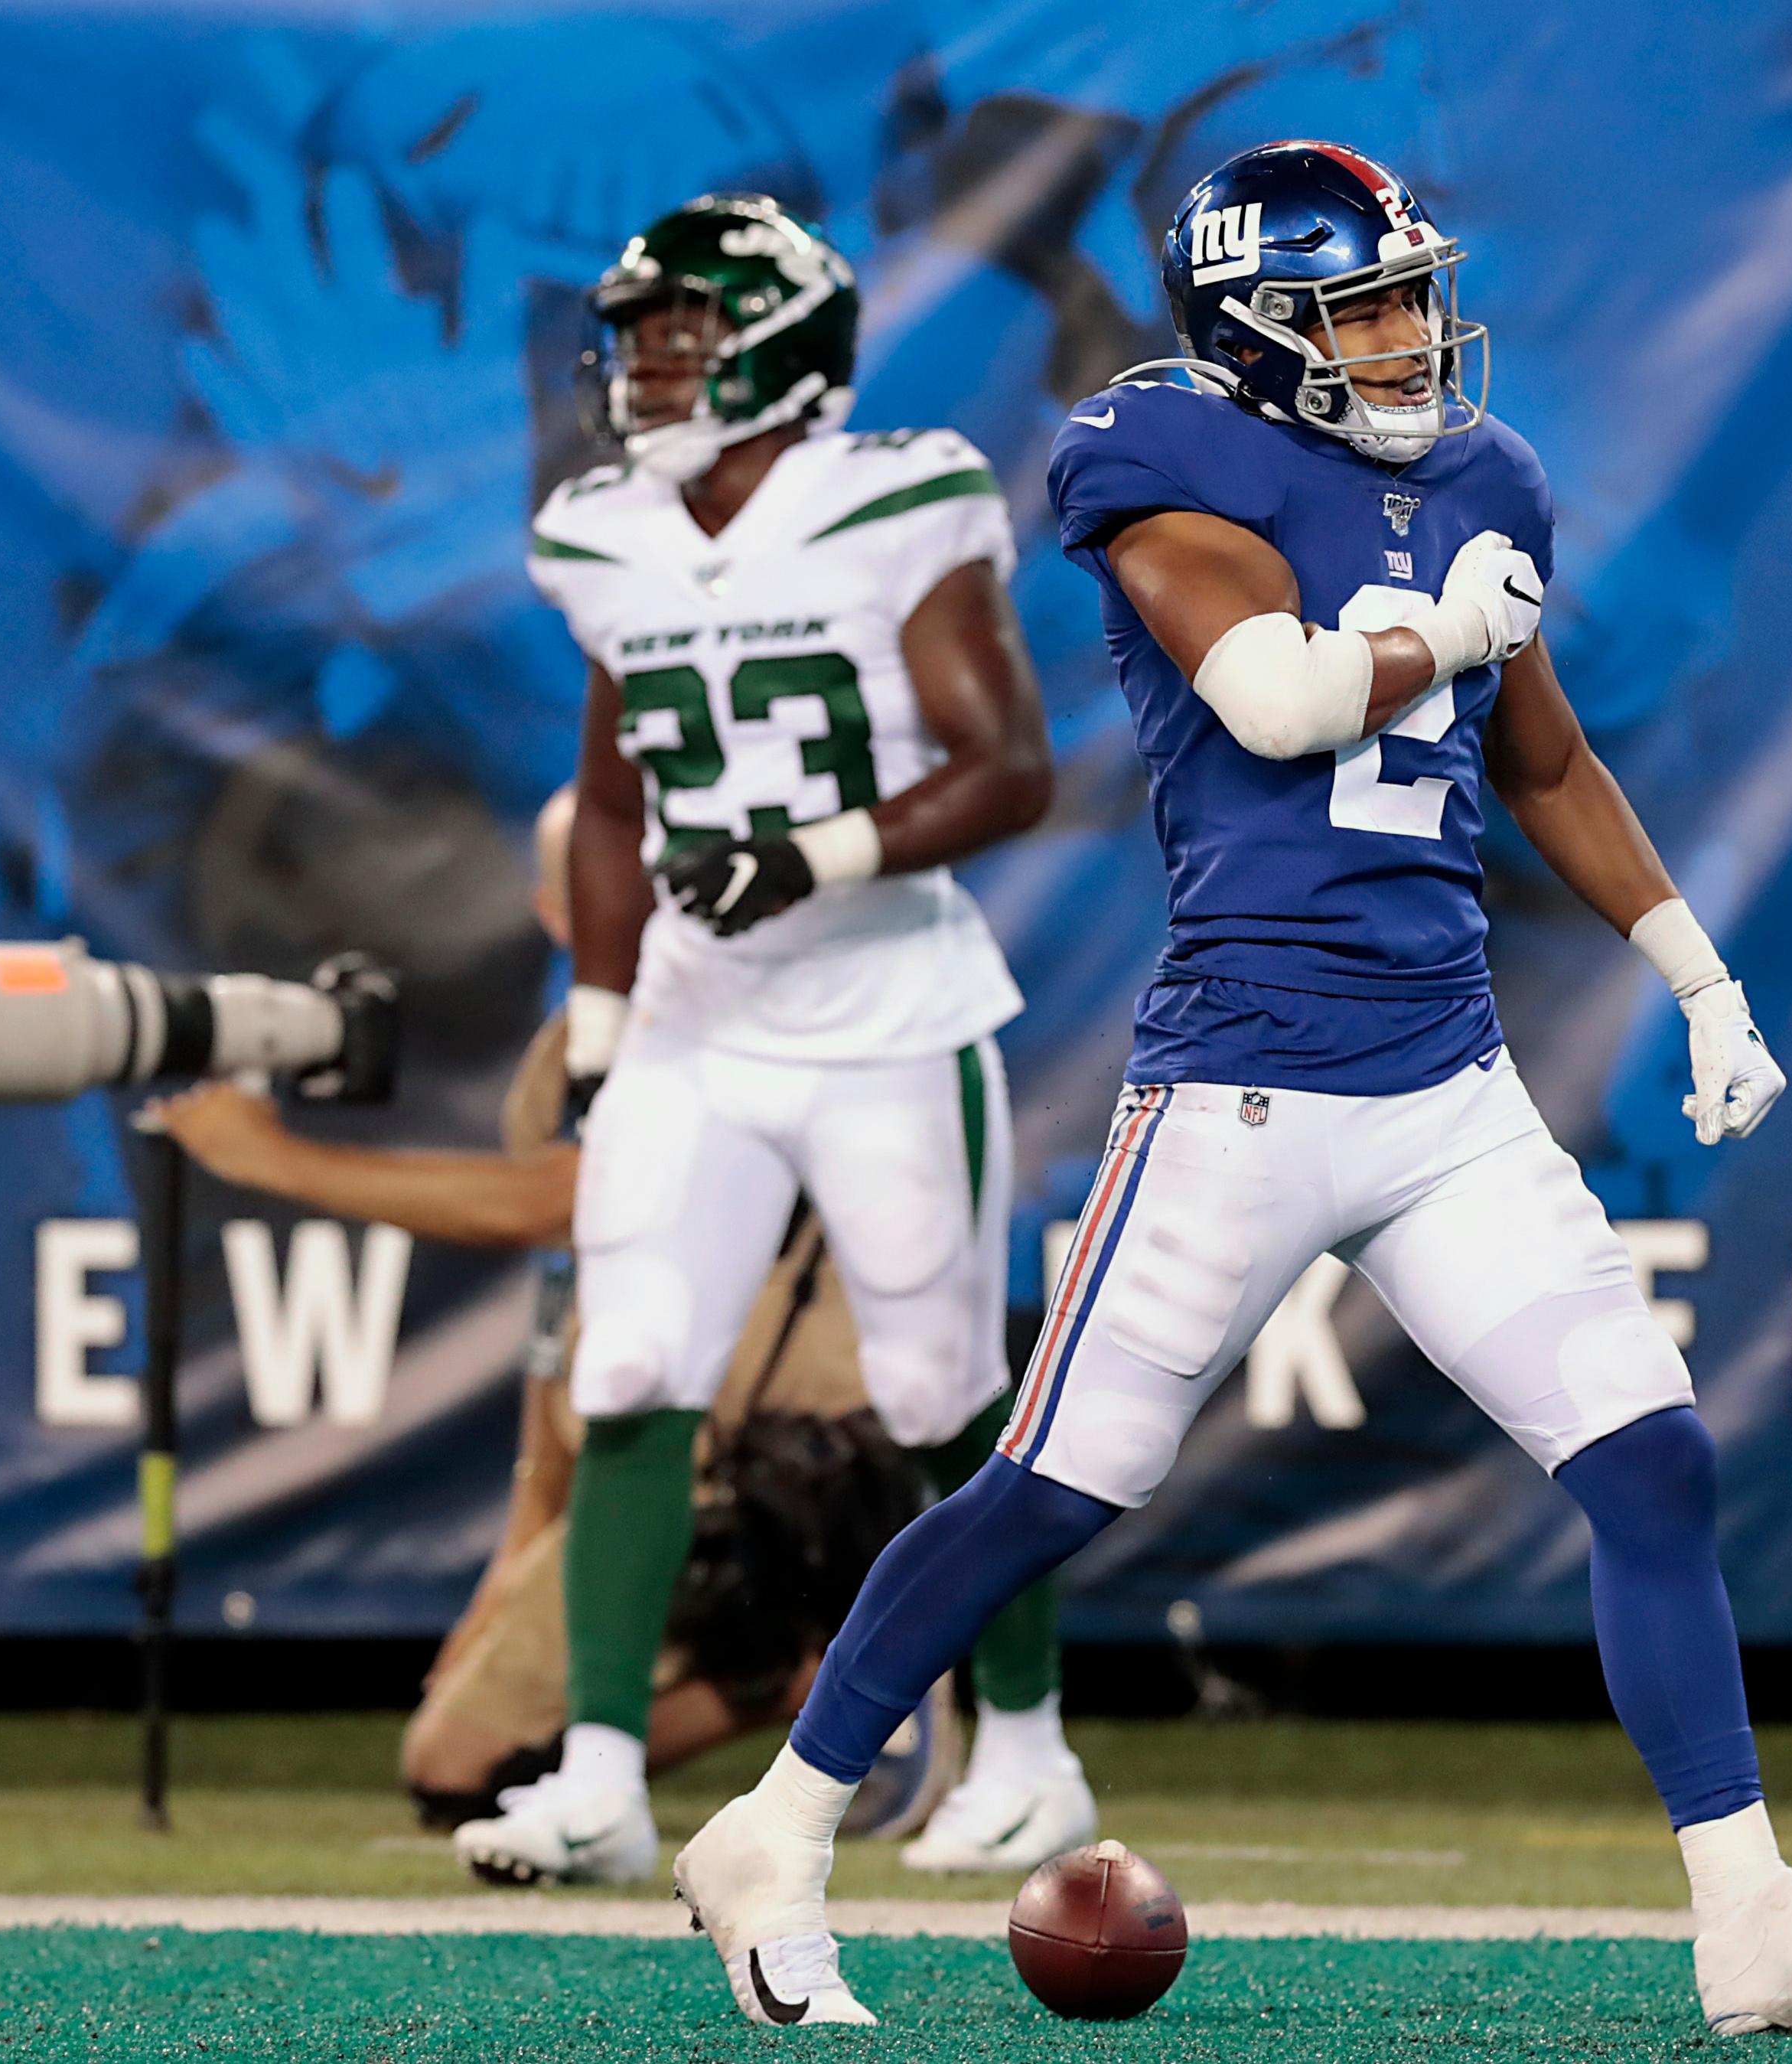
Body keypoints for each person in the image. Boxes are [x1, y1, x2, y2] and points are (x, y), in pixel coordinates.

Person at [668, 142, 1792, 2036]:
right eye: (1359, 305)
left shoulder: (1485, 472)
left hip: (1448, 1076)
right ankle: (779, 1827)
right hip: (1247, 1084)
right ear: (1254, 330)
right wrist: (1447, 626)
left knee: (1648, 1454)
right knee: (1052, 1486)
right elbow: (1282, 697)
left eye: (1408, 294)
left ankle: (1751, 1912)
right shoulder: (1160, 453)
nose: (1404, 334)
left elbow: (1538, 759)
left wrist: (1697, 976)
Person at [454, 191, 1091, 1887]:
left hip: (889, 1016)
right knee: (631, 1367)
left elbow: (1012, 766)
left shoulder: (898, 494)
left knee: (943, 1387)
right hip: (695, 1019)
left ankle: (1029, 1748)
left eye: (680, 336)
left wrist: (808, 856)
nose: (644, 369)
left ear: (780, 351)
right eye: (636, 339)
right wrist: (595, 1009)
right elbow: (607, 801)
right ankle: (599, 1776)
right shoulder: (604, 532)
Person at [147, 789, 947, 1840]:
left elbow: (564, 1201)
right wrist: (521, 1548)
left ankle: (856, 1683)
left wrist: (279, 1159)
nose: (636, 901)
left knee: (469, 1768)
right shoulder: (564, 1060)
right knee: (453, 1762)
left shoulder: (768, 1016)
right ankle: (795, 1687)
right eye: (605, 881)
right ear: (556, 910)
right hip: (645, 1461)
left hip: (801, 1472)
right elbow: (567, 1303)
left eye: (655, 874)